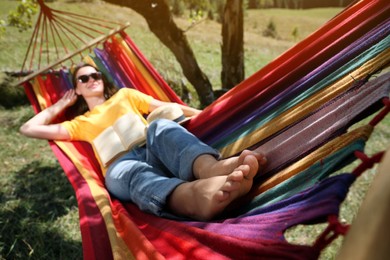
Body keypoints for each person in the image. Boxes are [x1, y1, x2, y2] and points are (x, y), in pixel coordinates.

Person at [20, 64, 267, 221]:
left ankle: (212, 169)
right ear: (77, 89)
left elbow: (169, 108)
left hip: (156, 152)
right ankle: (194, 198)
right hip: (122, 167)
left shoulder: (125, 95)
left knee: (159, 125)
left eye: (96, 74)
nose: (92, 79)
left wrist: (212, 115)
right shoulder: (80, 122)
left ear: (103, 79)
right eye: (83, 79)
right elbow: (28, 128)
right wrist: (62, 104)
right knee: (137, 174)